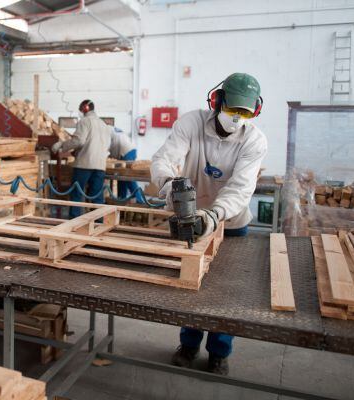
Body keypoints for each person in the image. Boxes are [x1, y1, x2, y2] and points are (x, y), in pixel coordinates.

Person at [150, 72, 267, 375]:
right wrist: (169, 186)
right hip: (190, 217)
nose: (236, 117)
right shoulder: (190, 123)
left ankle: (219, 352)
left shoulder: (254, 140)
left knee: (227, 293)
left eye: (244, 112)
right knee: (192, 285)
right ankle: (188, 345)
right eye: (232, 110)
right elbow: (164, 158)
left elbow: (241, 188)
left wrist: (214, 215)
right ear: (217, 101)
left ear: (254, 111)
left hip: (232, 222)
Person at [51, 100, 111, 218]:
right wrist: (77, 151)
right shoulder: (104, 125)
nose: (80, 112)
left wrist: (61, 145)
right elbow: (103, 145)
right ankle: (98, 224)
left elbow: (79, 141)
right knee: (96, 196)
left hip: (84, 165)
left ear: (85, 108)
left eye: (81, 110)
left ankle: (74, 222)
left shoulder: (84, 121)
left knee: (76, 194)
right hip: (100, 165)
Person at [108, 129, 144, 203]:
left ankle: (139, 200)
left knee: (128, 177)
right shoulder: (112, 129)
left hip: (126, 151)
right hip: (131, 149)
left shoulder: (105, 130)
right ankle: (122, 199)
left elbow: (109, 147)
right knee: (122, 177)